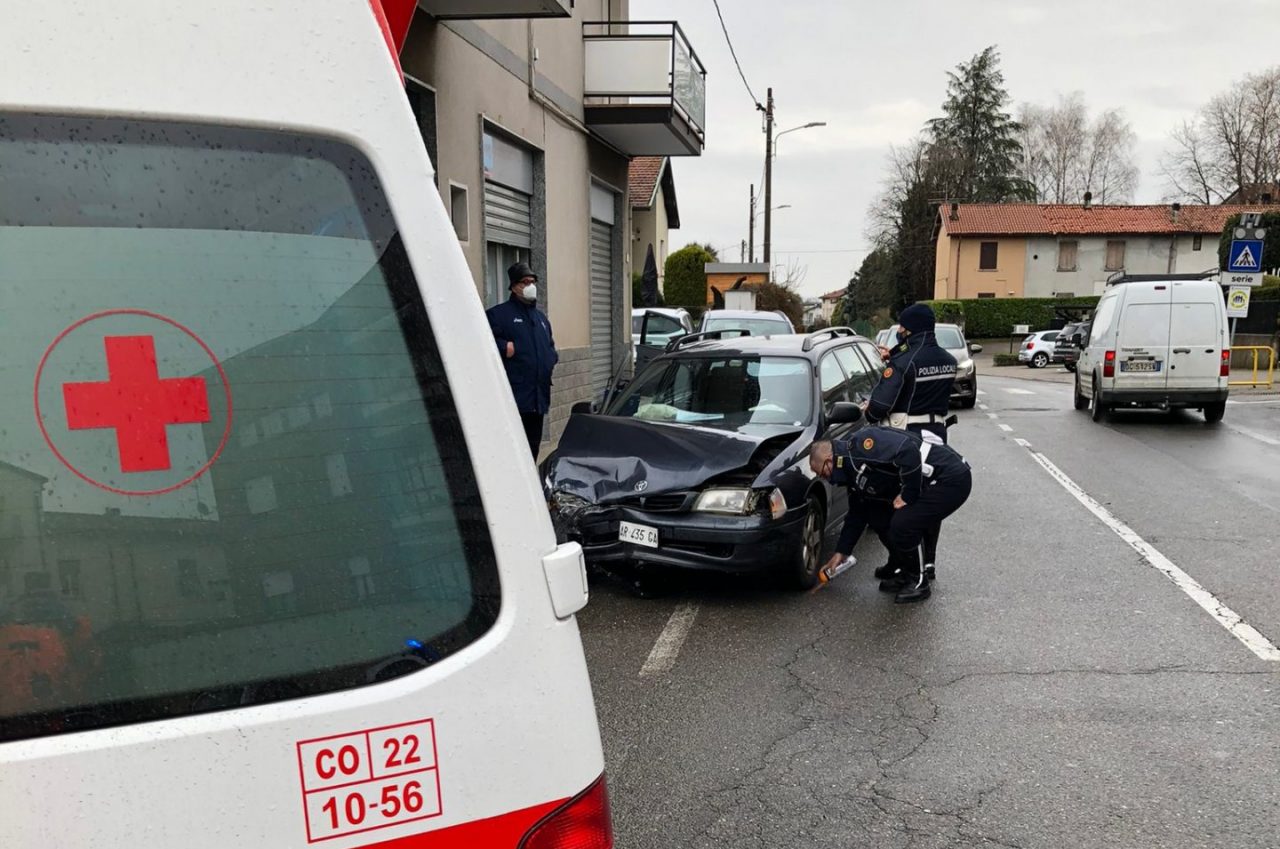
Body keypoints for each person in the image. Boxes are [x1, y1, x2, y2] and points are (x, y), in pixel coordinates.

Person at [810, 425, 972, 604]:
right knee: (878, 517)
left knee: (904, 523)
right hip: (929, 481)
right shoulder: (850, 467)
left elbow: (907, 450)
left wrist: (908, 495)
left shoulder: (861, 446)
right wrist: (842, 552)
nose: (824, 478)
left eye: (822, 473)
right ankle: (903, 569)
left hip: (949, 479)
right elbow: (858, 512)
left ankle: (918, 581)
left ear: (829, 460)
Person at [487, 262, 558, 457]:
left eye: (532, 282)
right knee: (513, 451)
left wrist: (550, 359)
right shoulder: (498, 315)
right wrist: (504, 347)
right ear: (514, 286)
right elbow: (482, 343)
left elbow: (550, 347)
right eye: (525, 282)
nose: (530, 286)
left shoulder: (541, 319)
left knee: (533, 448)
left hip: (538, 398)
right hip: (514, 398)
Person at [865, 303, 957, 444]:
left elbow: (878, 407)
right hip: (938, 435)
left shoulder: (902, 362)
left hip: (907, 437)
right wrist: (896, 353)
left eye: (902, 326)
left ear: (910, 329)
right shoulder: (949, 361)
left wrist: (868, 411)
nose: (899, 330)